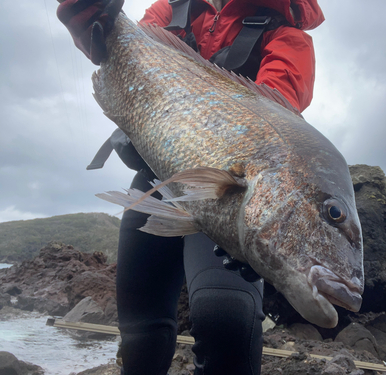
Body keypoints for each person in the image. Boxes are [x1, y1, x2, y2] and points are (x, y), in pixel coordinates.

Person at [57, 0, 324, 374]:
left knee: (227, 318)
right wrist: (89, 21)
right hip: (155, 179)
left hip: (230, 196)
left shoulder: (286, 34)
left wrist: (258, 228)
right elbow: (112, 50)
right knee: (139, 329)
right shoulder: (168, 9)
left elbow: (275, 114)